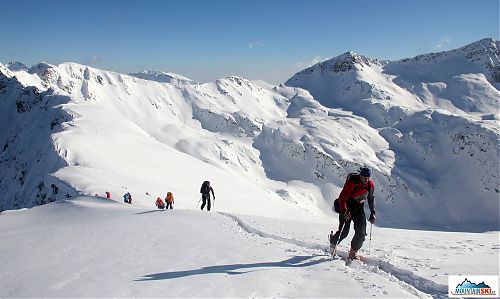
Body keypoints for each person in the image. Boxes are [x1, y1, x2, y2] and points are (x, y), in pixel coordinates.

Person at [329, 167, 376, 260]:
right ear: (360, 176)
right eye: (364, 177)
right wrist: (345, 211)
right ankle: (333, 242)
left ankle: (353, 251)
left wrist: (372, 212)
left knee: (361, 233)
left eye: (368, 178)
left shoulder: (370, 185)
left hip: (359, 208)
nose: (366, 179)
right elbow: (342, 198)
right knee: (344, 231)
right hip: (347, 207)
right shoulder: (352, 183)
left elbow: (371, 198)